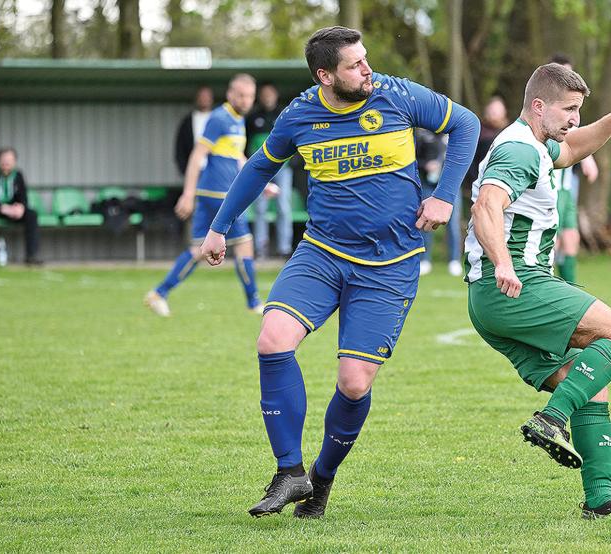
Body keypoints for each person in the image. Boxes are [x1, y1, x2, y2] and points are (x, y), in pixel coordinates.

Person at [199, 27, 479, 519]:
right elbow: (260, 168)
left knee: (353, 383)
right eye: (354, 65)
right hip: (322, 254)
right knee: (272, 338)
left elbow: (468, 125)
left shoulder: (398, 95)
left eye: (365, 59)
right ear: (325, 75)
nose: (367, 69)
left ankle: (321, 478)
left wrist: (444, 194)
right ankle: (289, 471)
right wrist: (220, 227)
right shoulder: (301, 113)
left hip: (389, 266)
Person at [464, 63, 611, 519]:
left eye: (578, 110)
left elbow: (573, 147)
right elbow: (487, 204)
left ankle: (600, 503)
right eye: (568, 109)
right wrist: (504, 262)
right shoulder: (519, 152)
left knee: (589, 386)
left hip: (489, 300)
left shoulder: (537, 144)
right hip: (514, 283)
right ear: (538, 105)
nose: (573, 119)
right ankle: (551, 418)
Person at [145, 74, 269, 317]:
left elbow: (236, 158)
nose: (245, 100)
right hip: (221, 195)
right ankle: (254, 302)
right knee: (244, 245)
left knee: (199, 250)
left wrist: (263, 183)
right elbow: (197, 155)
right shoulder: (220, 118)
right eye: (241, 95)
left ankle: (159, 293)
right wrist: (188, 193)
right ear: (231, 94)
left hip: (214, 194)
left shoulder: (236, 120)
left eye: (250, 96)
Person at [549, 54, 598, 284]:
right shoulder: (546, 107)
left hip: (567, 188)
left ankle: (570, 292)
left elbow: (577, 135)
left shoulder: (572, 107)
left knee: (571, 240)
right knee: (552, 243)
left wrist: (587, 157)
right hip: (549, 187)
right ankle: (547, 290)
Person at [247, 83, 294, 258]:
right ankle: (261, 248)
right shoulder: (252, 117)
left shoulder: (284, 114)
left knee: (283, 207)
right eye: (264, 94)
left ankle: (284, 248)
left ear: (275, 95)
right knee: (260, 208)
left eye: (270, 94)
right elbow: (246, 145)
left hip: (282, 168)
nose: (267, 97)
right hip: (260, 169)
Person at [0, 147, 40, 264]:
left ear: (14, 162)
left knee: (31, 215)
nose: (6, 163)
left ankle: (31, 256)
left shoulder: (18, 175)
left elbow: (22, 195)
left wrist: (21, 207)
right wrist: (1, 207)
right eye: (4, 160)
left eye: (9, 161)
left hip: (12, 210)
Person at [415, 128, 463, 276]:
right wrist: (425, 165)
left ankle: (454, 260)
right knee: (425, 221)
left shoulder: (454, 134)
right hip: (428, 184)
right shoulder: (422, 135)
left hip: (450, 187)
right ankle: (424, 260)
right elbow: (413, 159)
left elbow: (461, 159)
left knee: (453, 224)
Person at [174, 85, 215, 176]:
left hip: (215, 171)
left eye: (207, 96)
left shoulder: (218, 119)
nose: (204, 99)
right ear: (197, 98)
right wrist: (185, 170)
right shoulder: (187, 121)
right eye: (202, 96)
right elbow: (180, 148)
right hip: (195, 170)